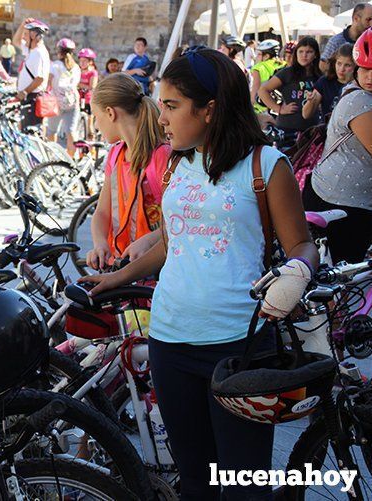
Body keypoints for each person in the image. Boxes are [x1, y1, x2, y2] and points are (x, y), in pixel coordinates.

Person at [80, 47, 318, 499]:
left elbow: (301, 244)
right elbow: (173, 243)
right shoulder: (175, 163)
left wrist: (297, 271)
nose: (161, 117)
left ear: (209, 109)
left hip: (240, 347)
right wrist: (119, 277)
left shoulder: (266, 166)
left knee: (244, 486)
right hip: (170, 342)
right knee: (195, 480)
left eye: (171, 106)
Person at [84, 73, 171, 270]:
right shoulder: (115, 154)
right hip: (123, 267)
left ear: (110, 113)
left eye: (97, 118)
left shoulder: (161, 156)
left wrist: (149, 240)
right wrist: (100, 244)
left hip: (156, 271)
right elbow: (102, 213)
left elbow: (180, 221)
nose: (97, 126)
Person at [303, 28, 372, 263]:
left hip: (342, 196)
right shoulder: (360, 100)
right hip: (341, 200)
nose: (369, 77)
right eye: (364, 69)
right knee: (346, 284)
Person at [259, 37, 322, 147]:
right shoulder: (287, 73)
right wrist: (278, 109)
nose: (304, 55)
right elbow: (263, 90)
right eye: (301, 51)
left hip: (312, 130)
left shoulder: (320, 76)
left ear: (315, 54)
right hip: (287, 129)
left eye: (309, 52)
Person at [13, 19, 51, 131]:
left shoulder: (39, 53)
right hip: (28, 97)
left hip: (32, 98)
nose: (23, 37)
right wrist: (22, 25)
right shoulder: (31, 50)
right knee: (25, 130)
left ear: (33, 35)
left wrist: (24, 92)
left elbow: (39, 78)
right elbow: (16, 41)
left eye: (25, 34)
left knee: (31, 132)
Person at [302, 43, 356, 123]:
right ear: (334, 62)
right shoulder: (325, 81)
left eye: (347, 65)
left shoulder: (359, 85)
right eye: (339, 63)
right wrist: (311, 101)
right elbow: (306, 115)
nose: (341, 69)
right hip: (328, 131)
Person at [46, 38, 81, 155]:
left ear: (59, 51)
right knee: (71, 132)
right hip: (72, 102)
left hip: (56, 103)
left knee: (51, 131)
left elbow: (48, 83)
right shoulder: (76, 67)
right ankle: (71, 160)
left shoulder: (55, 65)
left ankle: (52, 157)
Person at [320, 3, 372, 71]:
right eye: (368, 19)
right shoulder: (336, 41)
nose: (371, 24)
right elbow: (323, 66)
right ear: (356, 18)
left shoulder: (370, 41)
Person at [250, 39, 285, 113]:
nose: (256, 57)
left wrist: (251, 104)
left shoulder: (258, 67)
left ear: (266, 56)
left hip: (262, 107)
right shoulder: (284, 64)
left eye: (259, 54)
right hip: (280, 106)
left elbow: (255, 88)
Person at [78, 48, 99, 138]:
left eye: (85, 61)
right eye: (81, 61)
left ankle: (92, 145)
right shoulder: (77, 71)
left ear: (90, 62)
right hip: (78, 99)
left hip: (88, 99)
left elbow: (92, 86)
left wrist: (79, 84)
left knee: (89, 124)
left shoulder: (93, 73)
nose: (82, 63)